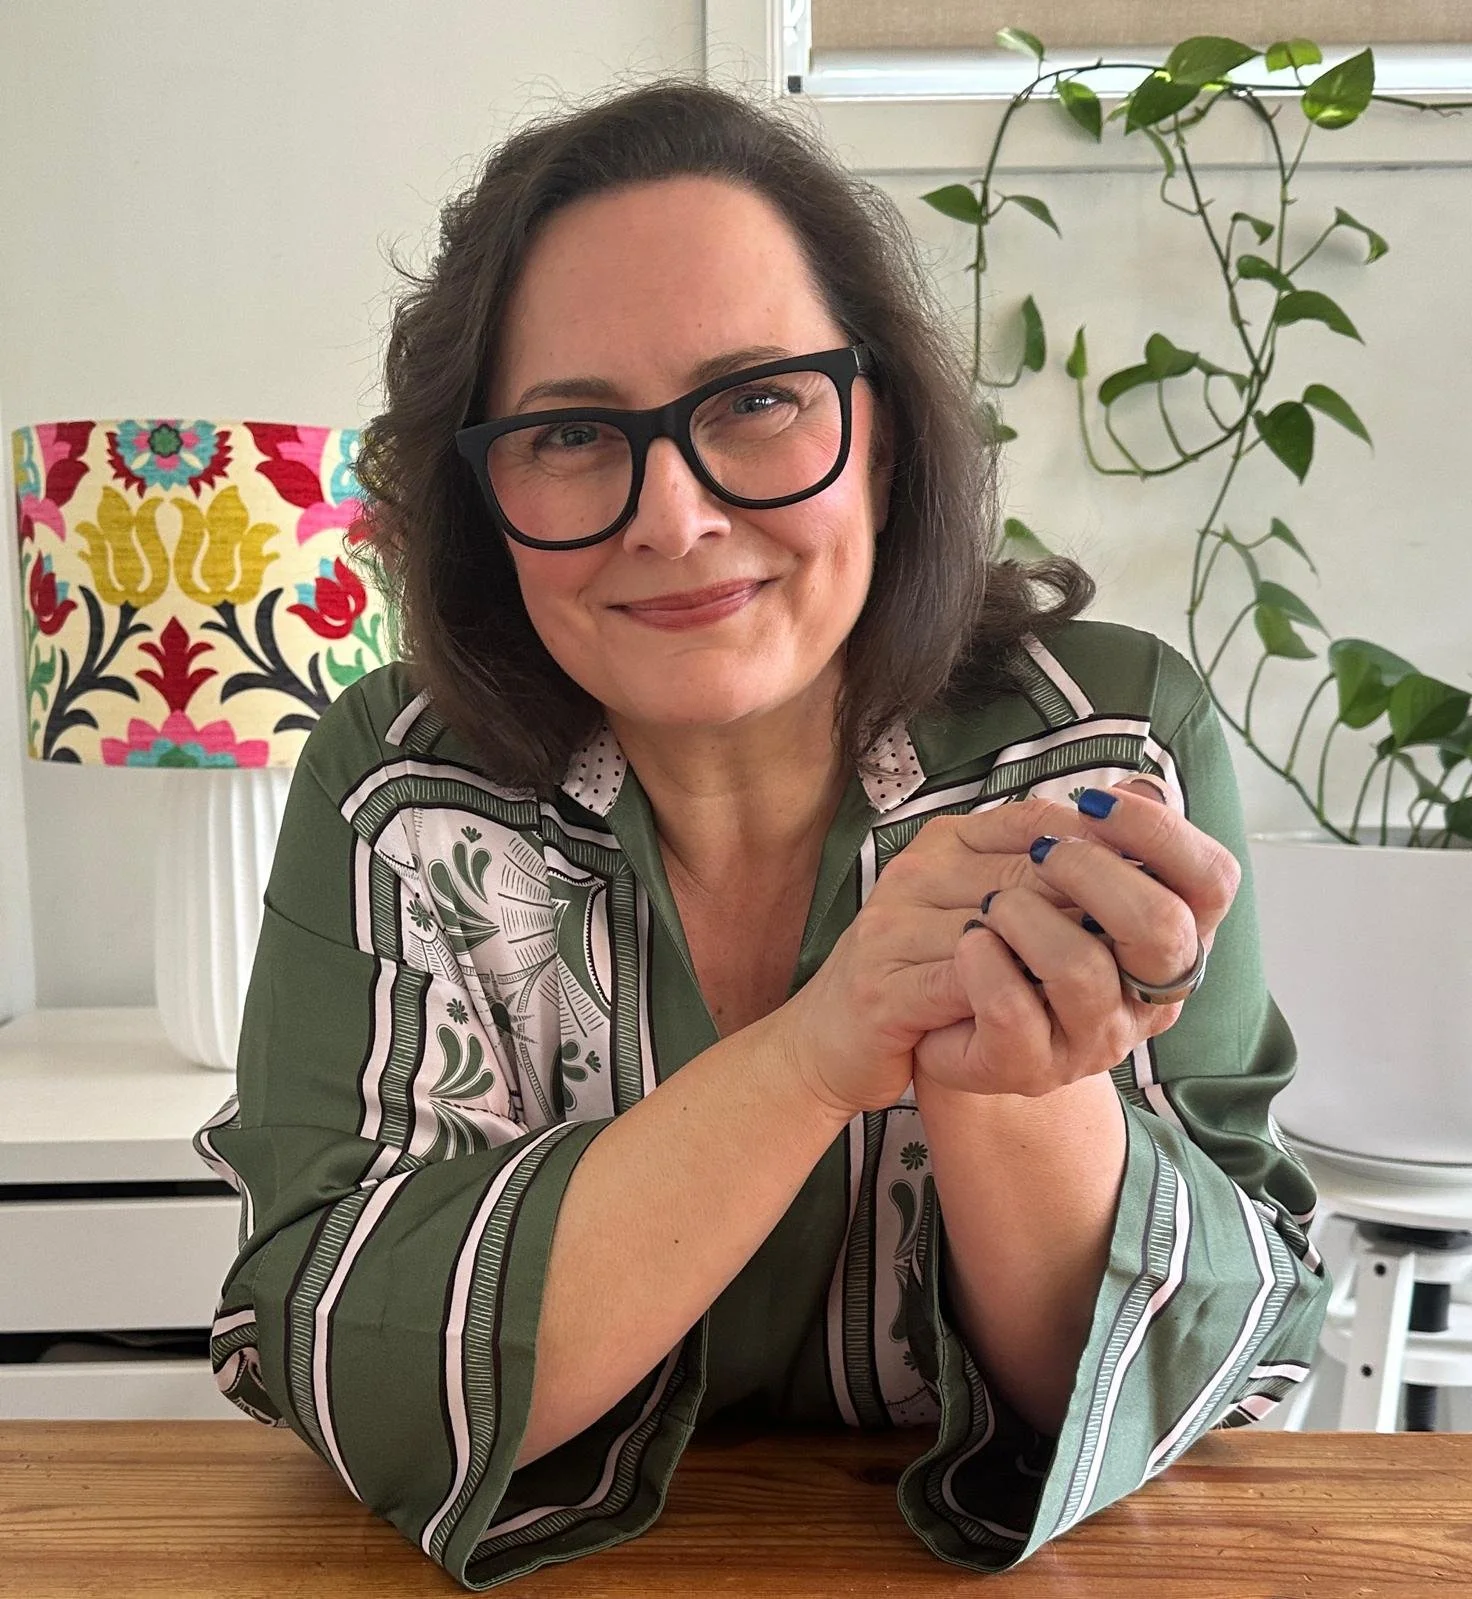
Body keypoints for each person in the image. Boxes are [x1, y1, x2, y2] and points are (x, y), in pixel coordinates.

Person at [194, 77, 1331, 1591]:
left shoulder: (1112, 746)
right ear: (480, 494)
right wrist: (818, 1050)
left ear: (886, 427)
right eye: (574, 432)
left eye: (756, 399)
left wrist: (1008, 1086)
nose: (671, 515)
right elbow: (340, 1347)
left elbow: (1215, 1368)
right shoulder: (395, 779)